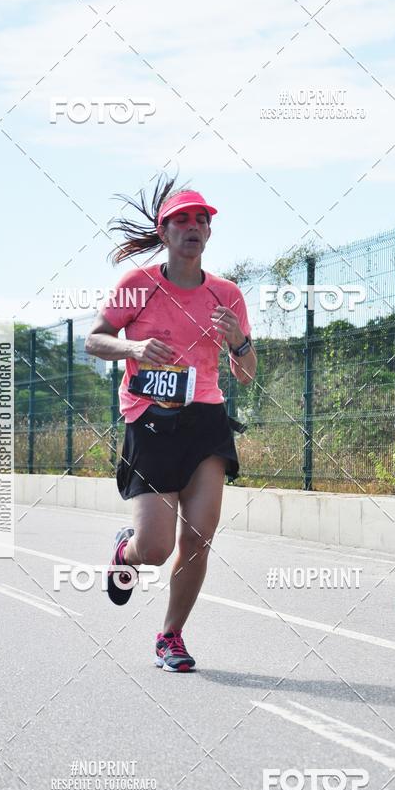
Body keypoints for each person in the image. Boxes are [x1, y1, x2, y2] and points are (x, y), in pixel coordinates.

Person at [85, 177, 256, 671]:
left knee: (198, 539)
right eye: (181, 220)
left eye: (201, 219)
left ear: (209, 232)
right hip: (151, 422)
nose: (193, 226)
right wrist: (133, 346)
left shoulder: (226, 294)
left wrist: (239, 340)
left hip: (206, 420)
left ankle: (170, 637)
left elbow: (246, 373)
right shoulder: (137, 285)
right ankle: (126, 551)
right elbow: (95, 340)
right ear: (164, 232)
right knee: (156, 549)